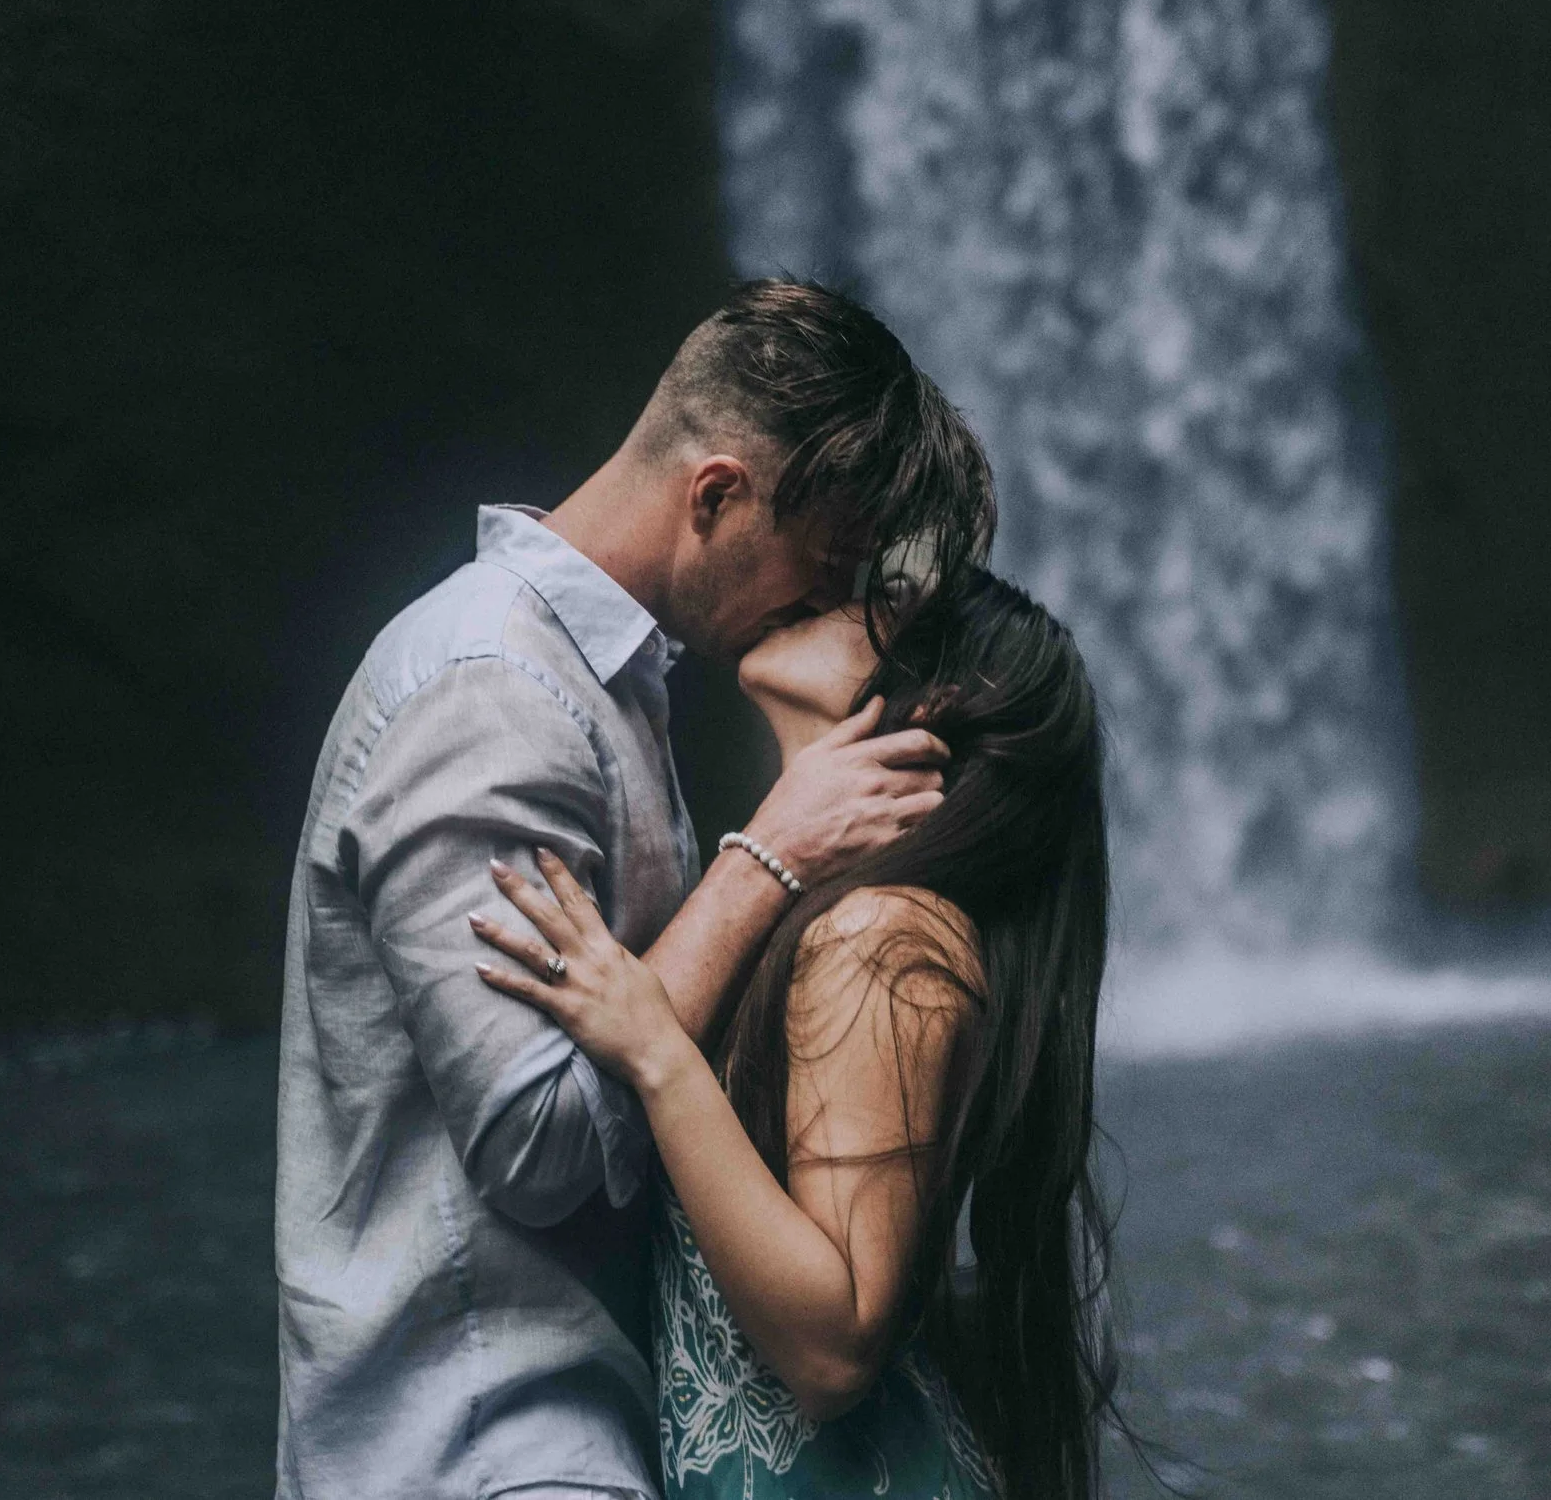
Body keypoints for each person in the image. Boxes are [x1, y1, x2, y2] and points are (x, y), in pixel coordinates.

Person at [274, 280, 995, 1500]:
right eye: (818, 569)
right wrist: (768, 854)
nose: (823, 606)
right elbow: (540, 1143)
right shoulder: (489, 694)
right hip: (487, 1447)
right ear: (716, 493)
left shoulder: (604, 683)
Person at [474, 568, 1119, 1500]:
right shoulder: (834, 919)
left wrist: (657, 1048)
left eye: (872, 597)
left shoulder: (885, 938)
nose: (817, 584)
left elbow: (832, 1347)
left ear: (931, 698)